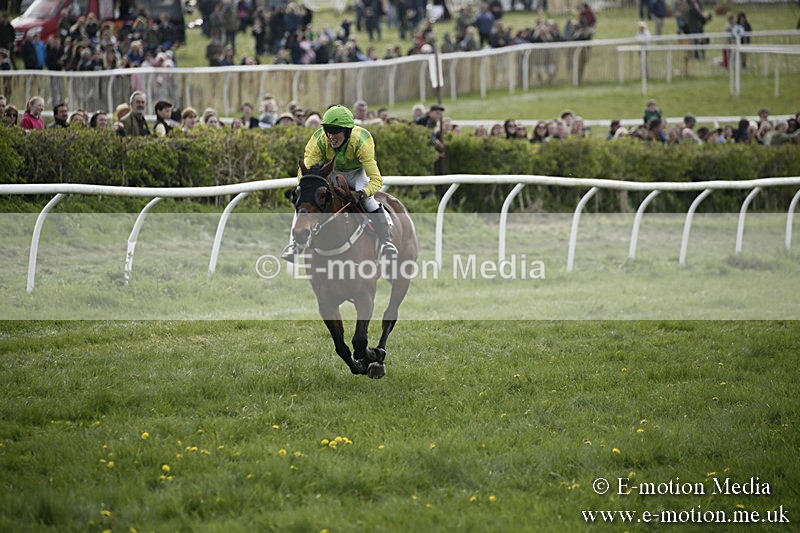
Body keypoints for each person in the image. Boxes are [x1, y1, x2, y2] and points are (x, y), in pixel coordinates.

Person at [281, 105, 398, 263]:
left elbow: (377, 180)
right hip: (332, 172)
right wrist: (307, 188)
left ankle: (386, 242)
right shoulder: (319, 140)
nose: (331, 136)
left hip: (356, 174)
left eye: (336, 131)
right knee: (307, 200)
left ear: (347, 132)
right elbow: (305, 171)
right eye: (328, 131)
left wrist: (361, 193)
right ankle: (296, 246)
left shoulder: (361, 141)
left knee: (368, 201)